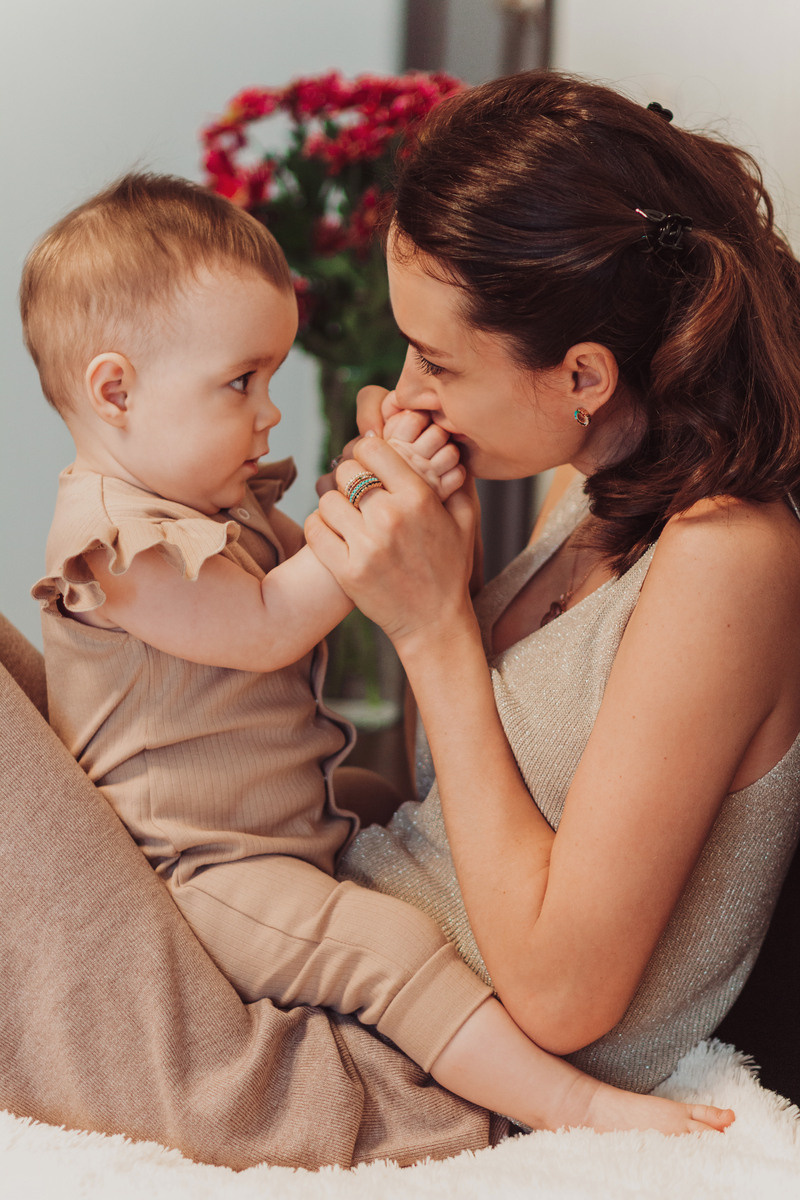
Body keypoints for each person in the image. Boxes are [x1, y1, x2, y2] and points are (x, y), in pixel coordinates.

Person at [23, 173, 727, 1137]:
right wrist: (372, 519)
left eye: (269, 379)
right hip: (204, 870)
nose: (270, 414)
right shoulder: (114, 541)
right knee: (385, 948)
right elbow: (271, 621)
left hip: (275, 838)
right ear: (116, 391)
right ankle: (573, 1109)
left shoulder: (207, 507)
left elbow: (311, 569)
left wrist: (394, 494)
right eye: (241, 384)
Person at [305, 70, 800, 1095]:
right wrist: (438, 577)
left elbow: (561, 992)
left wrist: (433, 627)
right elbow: (450, 822)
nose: (406, 395)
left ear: (582, 377)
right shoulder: (586, 488)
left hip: (428, 1072)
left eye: (434, 362)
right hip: (363, 988)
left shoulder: (726, 554)